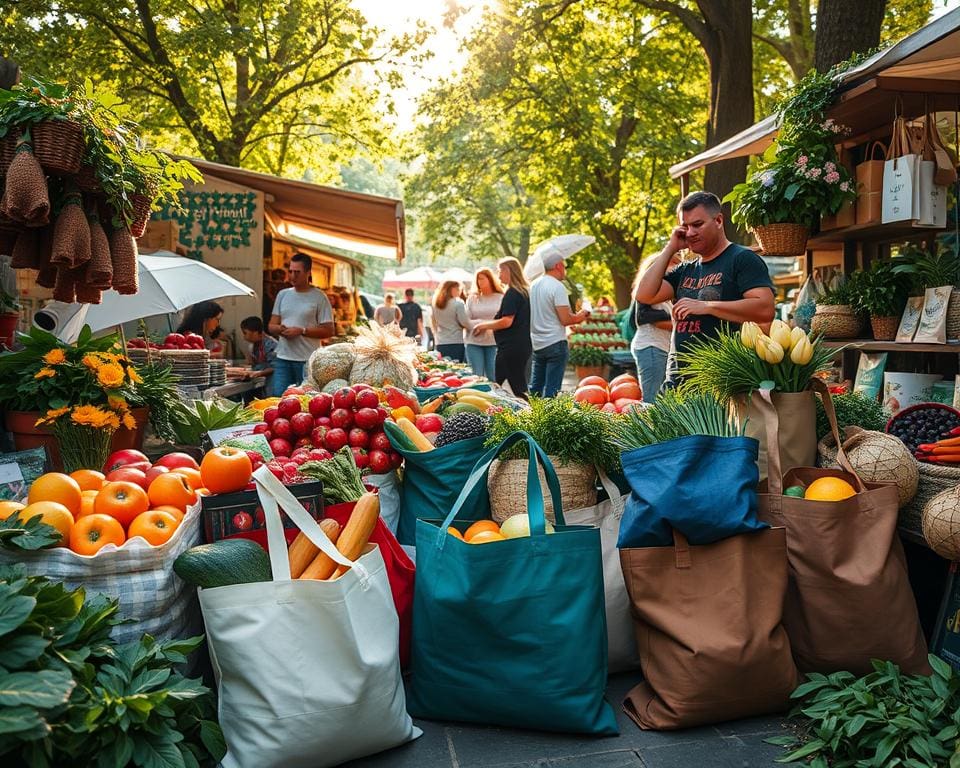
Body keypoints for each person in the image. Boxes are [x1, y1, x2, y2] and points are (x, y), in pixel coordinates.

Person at [635, 190, 775, 386]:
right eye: (685, 227)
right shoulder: (685, 269)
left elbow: (765, 309)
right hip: (678, 382)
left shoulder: (742, 259)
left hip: (721, 382)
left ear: (718, 220)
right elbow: (644, 295)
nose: (690, 233)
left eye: (697, 225)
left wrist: (708, 306)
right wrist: (670, 248)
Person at [268, 252, 335, 396]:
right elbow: (271, 325)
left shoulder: (319, 297)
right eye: (290, 271)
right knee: (278, 399)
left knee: (307, 402)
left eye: (297, 272)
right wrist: (280, 329)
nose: (292, 276)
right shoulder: (283, 294)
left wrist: (302, 331)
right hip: (283, 358)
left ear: (308, 273)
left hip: (308, 361)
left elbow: (329, 330)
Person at [528, 252, 590, 397]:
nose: (565, 270)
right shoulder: (557, 286)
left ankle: (532, 417)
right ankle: (549, 418)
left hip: (538, 342)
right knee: (552, 389)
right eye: (564, 266)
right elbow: (566, 320)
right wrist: (583, 314)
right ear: (558, 266)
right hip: (555, 341)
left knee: (536, 387)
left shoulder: (534, 285)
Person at [472, 258, 531, 399]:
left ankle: (533, 414)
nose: (498, 276)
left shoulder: (513, 293)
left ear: (509, 271)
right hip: (516, 346)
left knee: (514, 387)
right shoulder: (521, 292)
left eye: (500, 271)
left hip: (511, 348)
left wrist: (483, 325)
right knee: (500, 384)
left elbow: (506, 321)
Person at [629, 255, 679, 403]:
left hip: (662, 347)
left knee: (662, 399)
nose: (677, 266)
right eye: (674, 262)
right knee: (652, 400)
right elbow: (647, 319)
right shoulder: (651, 289)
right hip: (652, 346)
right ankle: (647, 427)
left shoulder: (667, 290)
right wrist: (678, 324)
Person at [464, 268, 504, 379]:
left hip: (494, 342)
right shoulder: (472, 299)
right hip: (474, 342)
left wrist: (485, 326)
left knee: (493, 376)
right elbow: (465, 320)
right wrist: (480, 324)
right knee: (477, 377)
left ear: (490, 279)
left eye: (482, 279)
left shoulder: (501, 297)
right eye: (477, 280)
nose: (479, 282)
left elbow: (504, 320)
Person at [431, 280, 472, 361]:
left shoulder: (436, 304)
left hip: (441, 342)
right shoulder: (458, 303)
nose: (459, 291)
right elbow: (465, 323)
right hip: (456, 341)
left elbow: (433, 321)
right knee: (457, 369)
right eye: (458, 289)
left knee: (444, 368)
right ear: (452, 289)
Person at [239, 316, 278, 391]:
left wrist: (259, 373)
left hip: (273, 384)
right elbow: (254, 364)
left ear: (255, 333)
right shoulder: (253, 345)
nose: (244, 337)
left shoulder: (271, 345)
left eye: (245, 333)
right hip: (261, 384)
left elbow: (275, 366)